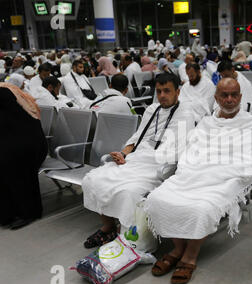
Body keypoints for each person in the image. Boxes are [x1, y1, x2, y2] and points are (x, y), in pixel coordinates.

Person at [145, 78, 252, 284]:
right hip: (194, 174)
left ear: (240, 97)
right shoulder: (206, 123)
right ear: (216, 98)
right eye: (224, 95)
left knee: (201, 208)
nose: (229, 99)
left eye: (234, 95)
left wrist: (217, 171)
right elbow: (190, 152)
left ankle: (190, 255)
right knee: (157, 199)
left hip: (225, 179)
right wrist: (191, 171)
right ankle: (177, 248)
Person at [81, 73, 195, 248]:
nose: (162, 95)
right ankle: (109, 226)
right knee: (92, 179)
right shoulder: (151, 110)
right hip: (135, 160)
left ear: (177, 92)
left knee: (128, 192)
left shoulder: (185, 113)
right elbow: (137, 136)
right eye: (159, 91)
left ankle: (129, 239)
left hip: (158, 166)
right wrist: (124, 154)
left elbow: (177, 152)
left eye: (167, 91)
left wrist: (155, 163)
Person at [0, 83, 47, 229]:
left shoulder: (1, 92)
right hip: (23, 146)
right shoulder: (11, 102)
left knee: (0, 166)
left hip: (26, 149)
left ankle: (25, 213)